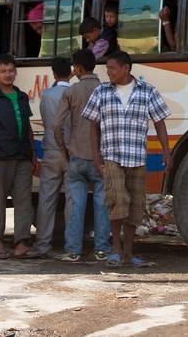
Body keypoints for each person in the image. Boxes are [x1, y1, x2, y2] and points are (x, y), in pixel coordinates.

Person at [81, 51, 172, 267]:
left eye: (112, 68)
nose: (108, 72)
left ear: (126, 69)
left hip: (137, 158)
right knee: (117, 201)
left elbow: (159, 121)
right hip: (111, 156)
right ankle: (115, 250)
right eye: (108, 69)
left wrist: (167, 151)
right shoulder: (101, 91)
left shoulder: (147, 91)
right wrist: (96, 157)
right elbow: (93, 126)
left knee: (135, 207)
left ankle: (128, 253)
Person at [54, 49, 111, 262]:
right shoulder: (106, 90)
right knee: (101, 203)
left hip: (76, 156)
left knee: (76, 204)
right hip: (101, 157)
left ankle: (73, 251)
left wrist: (64, 149)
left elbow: (57, 125)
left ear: (77, 68)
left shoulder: (72, 91)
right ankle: (102, 249)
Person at [0, 54, 37, 259]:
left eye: (11, 71)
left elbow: (28, 127)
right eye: (3, 71)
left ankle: (21, 242)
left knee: (24, 201)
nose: (8, 75)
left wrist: (33, 154)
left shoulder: (22, 96)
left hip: (22, 156)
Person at [29, 57, 72, 259]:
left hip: (52, 151)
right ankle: (72, 245)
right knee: (73, 199)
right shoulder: (74, 92)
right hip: (72, 153)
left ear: (53, 73)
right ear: (71, 72)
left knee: (47, 199)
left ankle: (42, 245)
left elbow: (47, 122)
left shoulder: (47, 95)